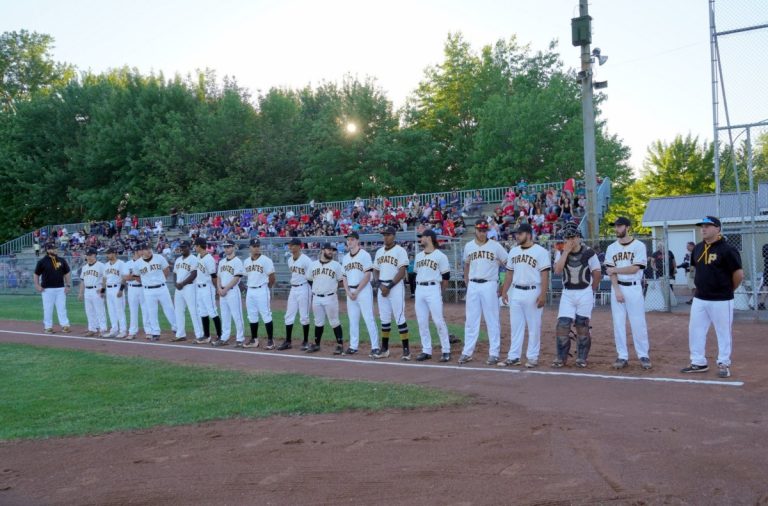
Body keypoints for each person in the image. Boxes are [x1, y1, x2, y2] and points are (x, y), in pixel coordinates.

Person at [682, 216, 743, 378]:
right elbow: (696, 269)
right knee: (695, 331)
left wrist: (729, 289)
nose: (703, 229)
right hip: (700, 298)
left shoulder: (727, 249)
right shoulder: (698, 248)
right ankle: (698, 362)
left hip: (722, 299)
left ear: (717, 229)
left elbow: (738, 274)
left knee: (723, 332)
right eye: (702, 226)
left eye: (708, 226)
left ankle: (724, 363)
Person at [499, 223, 550, 368]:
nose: (517, 236)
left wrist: (543, 295)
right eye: (516, 233)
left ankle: (532, 357)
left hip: (533, 290)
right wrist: (504, 291)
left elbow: (545, 274)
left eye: (519, 233)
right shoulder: (513, 251)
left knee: (534, 326)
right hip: (516, 291)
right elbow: (509, 273)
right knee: (516, 326)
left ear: (528, 234)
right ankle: (513, 356)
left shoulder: (540, 251)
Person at [604, 217, 651, 370]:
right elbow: (610, 273)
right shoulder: (611, 247)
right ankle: (622, 356)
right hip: (617, 287)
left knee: (638, 323)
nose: (616, 229)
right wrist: (617, 290)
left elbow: (635, 268)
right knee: (618, 324)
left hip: (634, 287)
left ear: (627, 227)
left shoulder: (639, 246)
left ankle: (643, 355)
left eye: (619, 226)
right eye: (615, 226)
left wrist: (615, 270)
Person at [459, 220, 508, 365]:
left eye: (484, 230)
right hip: (473, 285)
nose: (482, 232)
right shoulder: (469, 246)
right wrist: (467, 281)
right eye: (480, 230)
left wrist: (503, 284)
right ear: (475, 230)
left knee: (492, 320)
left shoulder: (495, 246)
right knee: (471, 321)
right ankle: (467, 352)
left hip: (489, 284)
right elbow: (467, 264)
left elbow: (508, 263)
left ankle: (494, 353)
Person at [552, 222, 601, 368]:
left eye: (573, 237)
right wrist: (566, 252)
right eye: (567, 238)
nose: (570, 240)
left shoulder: (588, 252)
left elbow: (597, 272)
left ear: (579, 237)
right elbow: (557, 271)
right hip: (568, 293)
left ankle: (581, 357)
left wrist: (592, 289)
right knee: (562, 325)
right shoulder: (560, 252)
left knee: (582, 325)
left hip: (584, 291)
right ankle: (561, 357)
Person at [371, 226, 411, 360]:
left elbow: (402, 271)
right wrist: (380, 285)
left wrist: (389, 286)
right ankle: (384, 349)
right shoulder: (379, 251)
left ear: (394, 236)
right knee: (384, 319)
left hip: (395, 287)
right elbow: (375, 270)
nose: (385, 237)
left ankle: (406, 350)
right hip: (382, 287)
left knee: (400, 318)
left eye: (388, 234)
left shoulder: (400, 251)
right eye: (384, 234)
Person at [413, 230, 452, 362]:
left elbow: (446, 276)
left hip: (433, 288)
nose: (420, 239)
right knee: (422, 321)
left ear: (429, 238)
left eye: (422, 237)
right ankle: (426, 350)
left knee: (438, 321)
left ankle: (446, 350)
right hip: (420, 289)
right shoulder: (418, 256)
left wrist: (441, 291)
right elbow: (416, 273)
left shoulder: (440, 256)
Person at [341, 231, 379, 355]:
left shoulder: (364, 255)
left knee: (369, 318)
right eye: (348, 239)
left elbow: (368, 275)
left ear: (357, 241)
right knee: (353, 320)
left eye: (352, 239)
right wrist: (347, 291)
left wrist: (357, 291)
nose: (349, 241)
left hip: (363, 290)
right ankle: (353, 346)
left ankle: (375, 346)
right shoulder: (345, 258)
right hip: (350, 291)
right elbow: (344, 277)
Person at [306, 242, 345, 354]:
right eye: (329, 249)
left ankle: (340, 345)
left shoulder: (336, 265)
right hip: (316, 297)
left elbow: (341, 281)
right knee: (318, 322)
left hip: (330, 297)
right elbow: (309, 279)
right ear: (322, 250)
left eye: (332, 250)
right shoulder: (313, 265)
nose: (331, 252)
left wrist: (331, 287)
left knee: (334, 321)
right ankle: (316, 344)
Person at [134, 242, 176, 341]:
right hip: (148, 290)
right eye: (146, 249)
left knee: (169, 309)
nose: (149, 250)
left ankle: (176, 328)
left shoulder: (159, 258)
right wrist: (146, 282)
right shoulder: (138, 263)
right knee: (151, 312)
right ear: (142, 251)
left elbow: (166, 270)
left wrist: (162, 280)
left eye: (150, 248)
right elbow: (136, 276)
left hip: (162, 288)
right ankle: (155, 332)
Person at [277, 238, 313, 350]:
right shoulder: (289, 260)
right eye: (290, 245)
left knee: (304, 316)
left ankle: (306, 341)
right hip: (293, 289)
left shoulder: (306, 260)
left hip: (304, 288)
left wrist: (313, 292)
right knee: (288, 315)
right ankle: (288, 341)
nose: (290, 247)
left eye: (292, 245)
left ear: (299, 246)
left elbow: (312, 277)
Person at [243, 238, 276, 349]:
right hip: (250, 290)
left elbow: (272, 277)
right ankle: (254, 340)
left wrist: (268, 287)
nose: (257, 248)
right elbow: (247, 275)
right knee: (252, 316)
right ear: (250, 247)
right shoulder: (247, 261)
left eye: (258, 246)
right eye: (254, 246)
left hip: (262, 289)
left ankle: (271, 340)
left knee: (266, 314)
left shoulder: (266, 260)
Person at [34, 241, 71, 334]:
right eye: (53, 248)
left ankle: (65, 325)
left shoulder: (62, 260)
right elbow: (36, 274)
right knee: (48, 308)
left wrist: (68, 285)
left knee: (62, 308)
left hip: (60, 288)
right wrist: (37, 285)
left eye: (55, 248)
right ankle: (48, 327)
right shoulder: (42, 261)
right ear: (48, 250)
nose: (55, 250)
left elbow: (67, 273)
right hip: (47, 289)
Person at [172, 240, 204, 342]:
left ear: (189, 247)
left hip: (190, 287)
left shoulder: (193, 259)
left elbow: (194, 274)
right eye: (181, 247)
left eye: (184, 247)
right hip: (179, 289)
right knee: (178, 311)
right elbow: (174, 273)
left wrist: (182, 283)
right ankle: (181, 334)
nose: (182, 249)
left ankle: (200, 334)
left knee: (193, 310)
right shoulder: (178, 260)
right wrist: (176, 283)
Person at [215, 241, 245, 347]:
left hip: (232, 291)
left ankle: (240, 339)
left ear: (233, 247)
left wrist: (225, 289)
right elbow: (218, 276)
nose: (226, 249)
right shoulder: (222, 262)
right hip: (222, 292)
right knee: (225, 316)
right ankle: (224, 338)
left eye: (228, 247)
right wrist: (219, 288)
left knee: (237, 315)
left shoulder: (237, 261)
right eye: (225, 247)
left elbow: (237, 278)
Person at [193, 237, 222, 344]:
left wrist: (217, 289)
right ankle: (206, 336)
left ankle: (220, 335)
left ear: (200, 246)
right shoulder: (198, 256)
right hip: (199, 287)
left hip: (207, 287)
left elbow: (214, 276)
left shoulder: (209, 259)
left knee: (212, 311)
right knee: (203, 312)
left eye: (195, 245)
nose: (194, 247)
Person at [78, 247, 109, 338]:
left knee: (100, 311)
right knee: (89, 311)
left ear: (95, 255)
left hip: (97, 290)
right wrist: (80, 293)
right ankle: (92, 329)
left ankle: (102, 329)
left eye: (90, 255)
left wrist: (103, 290)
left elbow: (105, 278)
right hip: (87, 291)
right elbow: (82, 281)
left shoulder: (101, 265)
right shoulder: (84, 267)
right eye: (87, 255)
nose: (88, 257)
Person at [123, 249, 149, 340]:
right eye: (140, 250)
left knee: (146, 310)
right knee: (133, 311)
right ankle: (132, 332)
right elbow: (126, 277)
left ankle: (149, 331)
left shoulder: (145, 262)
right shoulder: (128, 264)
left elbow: (145, 277)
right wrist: (136, 276)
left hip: (143, 288)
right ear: (136, 252)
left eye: (143, 250)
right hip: (132, 288)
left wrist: (134, 276)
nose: (143, 252)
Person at [103, 246, 128, 339]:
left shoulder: (121, 264)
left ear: (114, 253)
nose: (107, 255)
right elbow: (104, 279)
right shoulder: (106, 265)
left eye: (109, 253)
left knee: (119, 310)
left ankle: (123, 330)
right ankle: (114, 330)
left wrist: (121, 290)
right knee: (111, 311)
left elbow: (124, 278)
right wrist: (103, 291)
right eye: (107, 253)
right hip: (109, 289)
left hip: (117, 288)